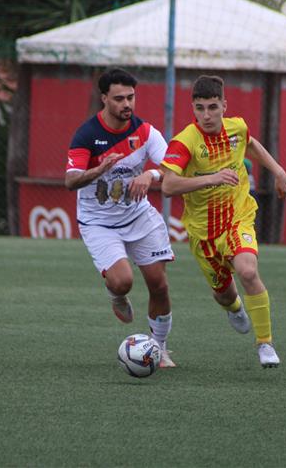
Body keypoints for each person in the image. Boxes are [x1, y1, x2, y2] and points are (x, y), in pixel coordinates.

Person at [160, 75, 286, 368]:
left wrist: (278, 171)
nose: (206, 115)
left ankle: (265, 344)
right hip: (203, 231)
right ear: (192, 108)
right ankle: (234, 308)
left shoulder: (237, 127)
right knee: (224, 295)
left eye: (212, 107)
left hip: (238, 217)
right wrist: (213, 178)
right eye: (199, 108)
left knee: (247, 270)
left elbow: (250, 143)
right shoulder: (184, 142)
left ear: (224, 106)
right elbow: (168, 186)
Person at [64, 68, 176, 368]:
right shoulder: (87, 135)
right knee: (123, 281)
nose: (127, 104)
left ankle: (160, 349)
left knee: (159, 284)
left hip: (138, 216)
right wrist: (99, 170)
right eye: (119, 99)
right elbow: (71, 180)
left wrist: (150, 174)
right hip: (99, 223)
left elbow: (174, 168)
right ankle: (115, 293)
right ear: (104, 99)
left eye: (131, 97)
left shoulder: (146, 132)